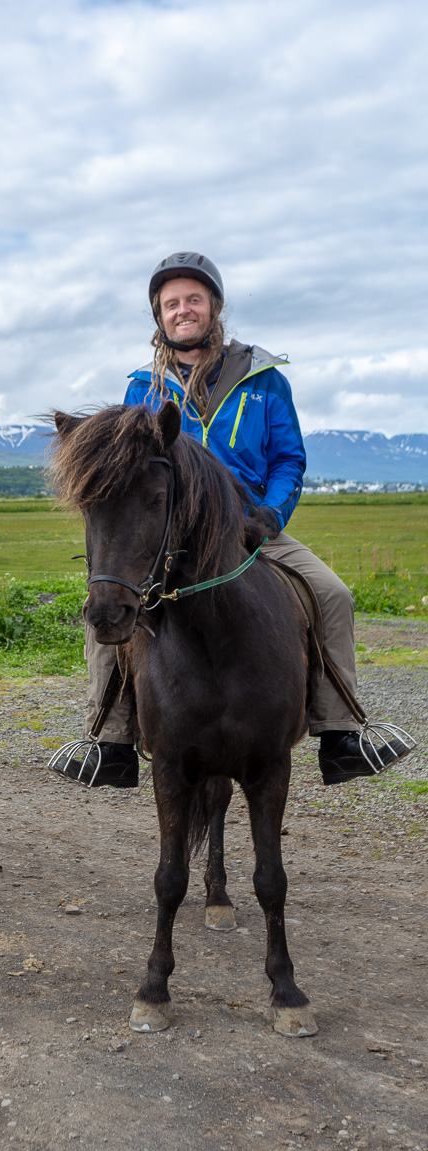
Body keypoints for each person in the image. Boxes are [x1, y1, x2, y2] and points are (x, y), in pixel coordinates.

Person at [50, 251, 414, 788]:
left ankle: (341, 735)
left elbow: (289, 459)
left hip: (252, 528)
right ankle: (110, 740)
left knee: (332, 594)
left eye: (193, 299)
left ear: (214, 306)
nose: (182, 310)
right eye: (170, 303)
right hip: (172, 539)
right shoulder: (141, 389)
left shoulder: (264, 379)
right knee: (110, 603)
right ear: (159, 316)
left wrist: (272, 512)